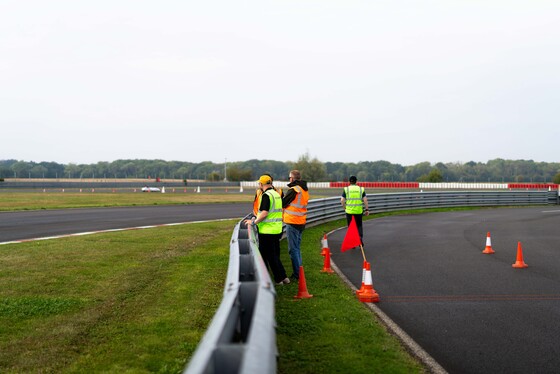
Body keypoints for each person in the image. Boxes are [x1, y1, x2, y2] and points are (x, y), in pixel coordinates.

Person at [245, 175, 290, 285]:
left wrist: (254, 222)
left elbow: (264, 213)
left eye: (259, 184)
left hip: (267, 231)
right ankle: (283, 277)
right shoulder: (276, 194)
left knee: (270, 256)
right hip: (277, 229)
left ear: (261, 184)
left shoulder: (266, 195)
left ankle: (279, 279)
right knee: (272, 255)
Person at [282, 170, 309, 281]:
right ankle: (299, 272)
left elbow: (283, 203)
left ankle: (297, 274)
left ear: (293, 179)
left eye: (289, 178)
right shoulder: (304, 189)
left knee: (293, 250)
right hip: (301, 222)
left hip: (292, 222)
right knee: (297, 249)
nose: (289, 179)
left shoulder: (294, 190)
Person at [341, 175, 369, 244]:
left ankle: (353, 242)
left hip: (349, 211)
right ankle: (360, 238)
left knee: (351, 227)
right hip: (358, 211)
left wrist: (344, 207)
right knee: (359, 225)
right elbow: (365, 200)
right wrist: (367, 209)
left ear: (349, 182)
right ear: (356, 181)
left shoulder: (346, 189)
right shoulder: (361, 189)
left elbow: (342, 200)